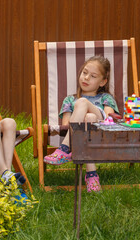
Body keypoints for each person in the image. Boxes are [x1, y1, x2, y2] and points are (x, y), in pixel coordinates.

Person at [44, 56, 119, 192]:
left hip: (101, 131)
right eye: (84, 73)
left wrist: (84, 106)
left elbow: (109, 119)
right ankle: (91, 175)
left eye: (93, 76)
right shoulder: (69, 100)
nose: (86, 78)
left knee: (83, 103)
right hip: (79, 134)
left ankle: (65, 149)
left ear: (102, 82)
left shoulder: (106, 98)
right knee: (88, 116)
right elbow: (66, 125)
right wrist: (83, 116)